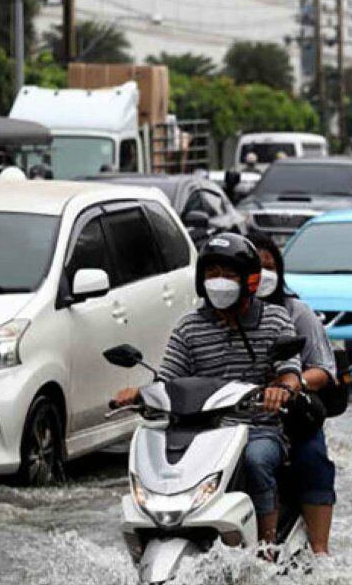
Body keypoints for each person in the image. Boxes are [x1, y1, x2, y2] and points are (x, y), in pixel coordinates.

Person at [112, 234, 304, 549]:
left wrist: (281, 389)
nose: (219, 282)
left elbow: (290, 371)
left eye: (228, 275)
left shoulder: (274, 319)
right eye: (212, 274)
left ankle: (266, 547)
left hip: (258, 427)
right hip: (199, 432)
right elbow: (168, 379)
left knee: (257, 461)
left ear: (249, 279)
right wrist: (138, 394)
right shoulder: (189, 327)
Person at [250, 233, 339, 556]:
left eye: (269, 267)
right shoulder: (205, 319)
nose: (263, 275)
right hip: (231, 419)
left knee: (311, 458)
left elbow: (323, 369)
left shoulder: (292, 313)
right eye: (255, 267)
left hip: (288, 416)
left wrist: (289, 385)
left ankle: (319, 550)